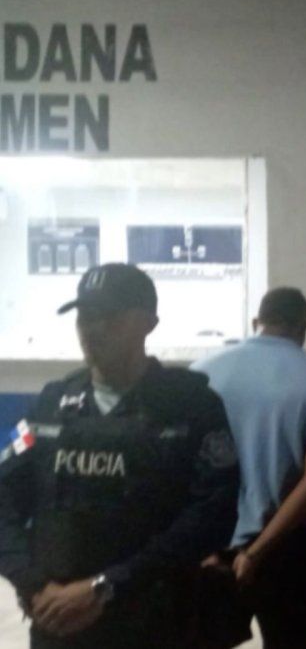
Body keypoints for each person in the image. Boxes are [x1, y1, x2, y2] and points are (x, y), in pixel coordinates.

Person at [0, 263, 240, 648]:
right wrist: (34, 585)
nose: (93, 328)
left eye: (109, 316)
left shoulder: (191, 406)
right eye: (85, 316)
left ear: (148, 323)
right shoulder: (51, 405)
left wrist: (107, 586)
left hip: (152, 625)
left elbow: (212, 514)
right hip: (57, 623)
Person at [192, 287, 306, 648]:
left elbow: (180, 469)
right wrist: (256, 552)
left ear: (255, 322)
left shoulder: (201, 373)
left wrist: (198, 547)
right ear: (303, 328)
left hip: (212, 544)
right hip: (289, 546)